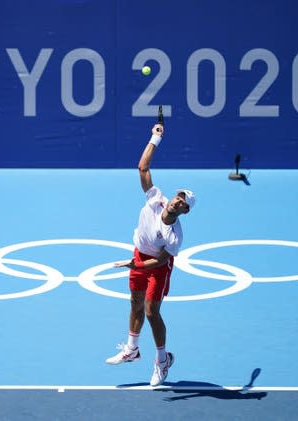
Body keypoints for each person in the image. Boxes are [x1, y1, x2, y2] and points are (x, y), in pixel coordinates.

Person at [106, 122, 195, 387]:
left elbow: (162, 261)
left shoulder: (175, 235)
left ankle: (162, 360)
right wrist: (155, 138)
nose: (177, 200)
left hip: (156, 265)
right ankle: (132, 349)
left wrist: (137, 264)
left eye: (183, 202)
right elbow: (143, 168)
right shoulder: (155, 198)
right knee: (134, 302)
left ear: (185, 211)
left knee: (152, 311)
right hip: (139, 254)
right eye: (178, 196)